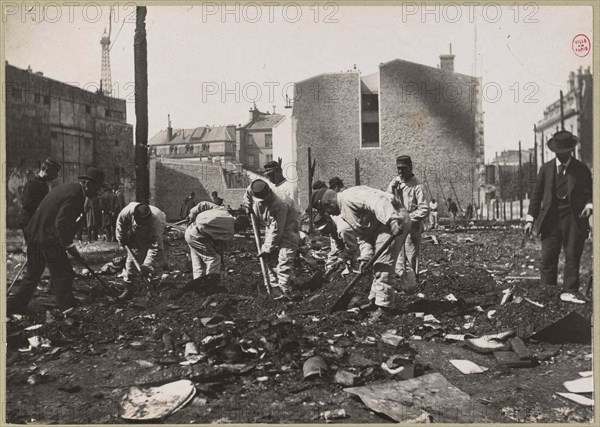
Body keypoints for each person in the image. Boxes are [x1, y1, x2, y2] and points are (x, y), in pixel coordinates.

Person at [8, 165, 105, 314]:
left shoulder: (69, 189)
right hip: (48, 239)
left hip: (35, 235)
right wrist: (68, 245)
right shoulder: (75, 195)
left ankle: (14, 306)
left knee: (32, 274)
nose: (97, 193)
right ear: (87, 184)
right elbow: (61, 223)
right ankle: (68, 309)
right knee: (64, 273)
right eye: (97, 188)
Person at [311, 186, 411, 321]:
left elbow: (378, 200)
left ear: (328, 204)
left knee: (383, 263)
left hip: (393, 217)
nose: (331, 215)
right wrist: (365, 258)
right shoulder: (344, 213)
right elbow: (363, 237)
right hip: (381, 227)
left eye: (327, 211)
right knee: (376, 264)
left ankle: (384, 308)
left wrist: (392, 219)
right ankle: (375, 301)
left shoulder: (351, 196)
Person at [525, 130, 593, 300]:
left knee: (572, 258)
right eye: (559, 153)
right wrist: (530, 219)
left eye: (565, 153)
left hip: (574, 220)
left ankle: (570, 295)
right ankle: (548, 295)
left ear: (570, 151)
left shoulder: (581, 169)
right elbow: (536, 195)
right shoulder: (546, 169)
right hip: (550, 220)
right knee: (548, 259)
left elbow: (590, 192)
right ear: (555, 151)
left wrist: (589, 205)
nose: (562, 156)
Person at [244, 179, 300, 299]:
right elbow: (247, 195)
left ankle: (285, 291)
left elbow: (277, 231)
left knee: (284, 259)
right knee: (269, 259)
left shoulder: (280, 203)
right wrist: (248, 206)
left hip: (288, 226)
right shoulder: (253, 189)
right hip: (271, 224)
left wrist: (267, 248)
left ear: (269, 192)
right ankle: (274, 288)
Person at [386, 155, 429, 285]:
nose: (400, 171)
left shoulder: (418, 185)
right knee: (397, 254)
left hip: (412, 226)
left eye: (403, 168)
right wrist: (392, 190)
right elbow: (387, 199)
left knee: (410, 255)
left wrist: (408, 218)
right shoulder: (395, 182)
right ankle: (400, 282)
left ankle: (412, 283)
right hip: (398, 225)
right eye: (398, 168)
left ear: (410, 168)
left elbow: (425, 209)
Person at [116, 202, 167, 285]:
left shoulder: (156, 222)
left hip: (154, 227)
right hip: (135, 231)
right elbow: (120, 225)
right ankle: (130, 285)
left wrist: (147, 265)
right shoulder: (126, 213)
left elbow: (156, 247)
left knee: (157, 259)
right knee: (134, 254)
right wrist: (122, 239)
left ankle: (154, 283)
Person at [184, 201, 235, 284]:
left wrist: (192, 215)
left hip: (190, 231)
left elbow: (203, 204)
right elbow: (220, 248)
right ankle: (211, 285)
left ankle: (198, 288)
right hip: (198, 236)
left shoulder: (223, 211)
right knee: (214, 259)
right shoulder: (229, 232)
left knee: (199, 263)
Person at [17, 158, 62, 240]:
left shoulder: (43, 185)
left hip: (35, 221)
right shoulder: (32, 183)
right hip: (28, 220)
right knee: (33, 246)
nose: (54, 178)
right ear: (46, 170)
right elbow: (27, 204)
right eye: (53, 175)